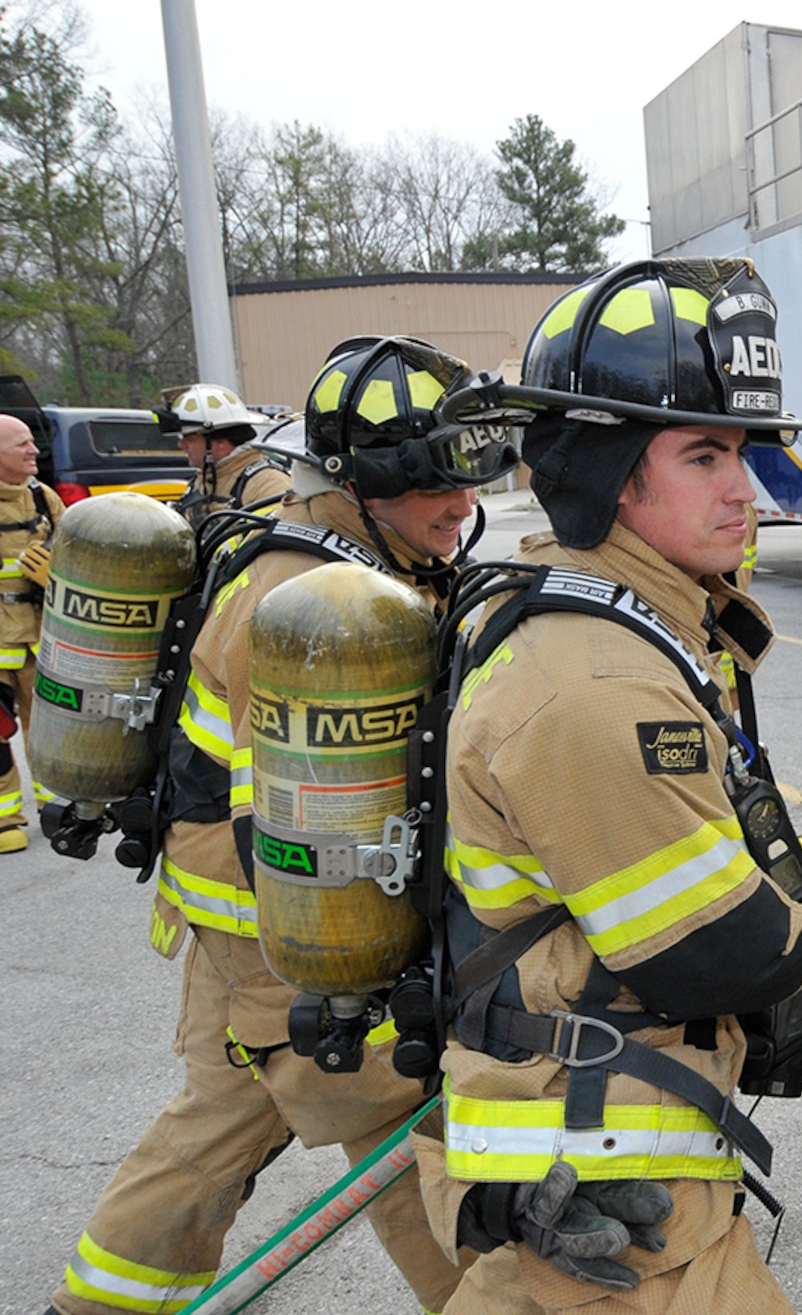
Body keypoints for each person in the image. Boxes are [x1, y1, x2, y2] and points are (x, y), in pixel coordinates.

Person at [415, 258, 802, 1314]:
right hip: (608, 1190)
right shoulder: (594, 678)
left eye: (741, 452)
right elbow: (733, 949)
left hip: (596, 1158)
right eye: (702, 455)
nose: (740, 489)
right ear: (609, 472)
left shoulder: (627, 623)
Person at [45, 335, 517, 1315]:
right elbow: (312, 819)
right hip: (283, 921)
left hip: (242, 910)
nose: (461, 506)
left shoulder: (363, 549)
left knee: (215, 1128)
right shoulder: (303, 602)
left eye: (468, 481)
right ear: (362, 479)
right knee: (405, 1117)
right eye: (435, 486)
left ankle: (96, 1305)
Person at [0, 412, 61, 853]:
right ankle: (5, 818)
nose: (34, 449)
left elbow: (79, 555)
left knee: (46, 727)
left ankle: (54, 807)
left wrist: (54, 575)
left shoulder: (44, 499)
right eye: (22, 443)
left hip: (40, 634)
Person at [165, 382, 290, 524]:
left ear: (220, 444)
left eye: (190, 438)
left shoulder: (268, 484)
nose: (181, 444)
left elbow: (273, 541)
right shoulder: (203, 479)